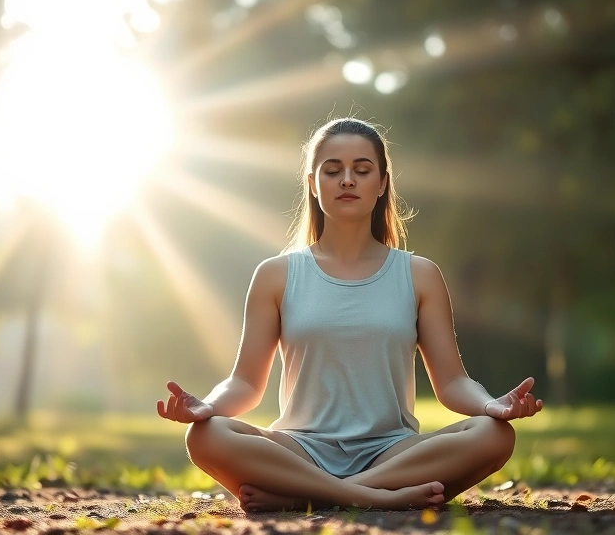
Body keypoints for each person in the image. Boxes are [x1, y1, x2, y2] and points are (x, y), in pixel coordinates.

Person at [156, 117, 544, 512]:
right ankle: (369, 498)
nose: (347, 180)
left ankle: (307, 496)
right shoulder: (275, 274)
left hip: (393, 452)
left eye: (362, 170)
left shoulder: (420, 275)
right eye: (333, 170)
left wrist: (490, 406)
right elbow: (244, 383)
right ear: (312, 184)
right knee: (205, 436)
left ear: (382, 184)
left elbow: (452, 382)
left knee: (496, 435)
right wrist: (206, 407)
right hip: (299, 450)